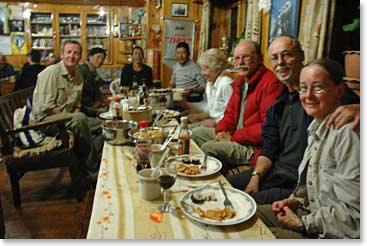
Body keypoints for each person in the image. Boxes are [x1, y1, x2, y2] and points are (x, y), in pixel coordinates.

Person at [227, 35, 360, 204]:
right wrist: (256, 176)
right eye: (275, 58)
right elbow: (269, 146)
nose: (280, 62)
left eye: (287, 54)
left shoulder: (320, 99)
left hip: (297, 186)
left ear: (301, 56)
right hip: (273, 174)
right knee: (219, 187)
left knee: (238, 205)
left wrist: (360, 108)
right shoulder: (279, 103)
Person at [257, 58, 360, 239]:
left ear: (339, 90)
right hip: (310, 214)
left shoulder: (348, 134)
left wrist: (302, 223)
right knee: (242, 216)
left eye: (318, 88)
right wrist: (294, 201)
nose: (308, 96)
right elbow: (315, 188)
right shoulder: (316, 125)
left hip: (332, 234)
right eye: (303, 88)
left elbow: (356, 216)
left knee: (255, 236)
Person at [191, 40, 283, 172]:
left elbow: (266, 128)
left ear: (259, 58)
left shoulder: (271, 83)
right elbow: (229, 114)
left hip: (254, 147)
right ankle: (220, 169)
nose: (240, 62)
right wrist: (221, 131)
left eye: (246, 57)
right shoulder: (239, 82)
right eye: (237, 58)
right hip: (236, 135)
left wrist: (233, 137)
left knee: (208, 147)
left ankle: (221, 182)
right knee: (197, 133)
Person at [31, 40, 103, 180]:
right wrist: (73, 116)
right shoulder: (51, 72)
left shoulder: (78, 76)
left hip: (66, 119)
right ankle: (93, 170)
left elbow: (76, 105)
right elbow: (48, 107)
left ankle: (85, 163)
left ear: (80, 57)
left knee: (103, 125)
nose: (72, 56)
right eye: (69, 52)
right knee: (80, 119)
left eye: (76, 53)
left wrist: (74, 113)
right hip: (45, 122)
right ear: (62, 54)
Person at [192, 48, 233, 128]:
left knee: (192, 132)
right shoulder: (210, 82)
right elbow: (211, 109)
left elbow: (232, 114)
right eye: (202, 69)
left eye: (205, 69)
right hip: (212, 122)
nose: (202, 73)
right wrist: (188, 105)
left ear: (217, 69)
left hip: (223, 127)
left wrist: (215, 122)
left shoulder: (226, 84)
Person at [76, 47, 108, 117]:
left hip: (91, 105)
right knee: (104, 113)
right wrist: (93, 104)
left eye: (102, 59)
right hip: (82, 108)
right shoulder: (82, 70)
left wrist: (100, 100)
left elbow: (100, 86)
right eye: (98, 57)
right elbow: (77, 93)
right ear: (90, 57)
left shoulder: (93, 72)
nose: (100, 61)